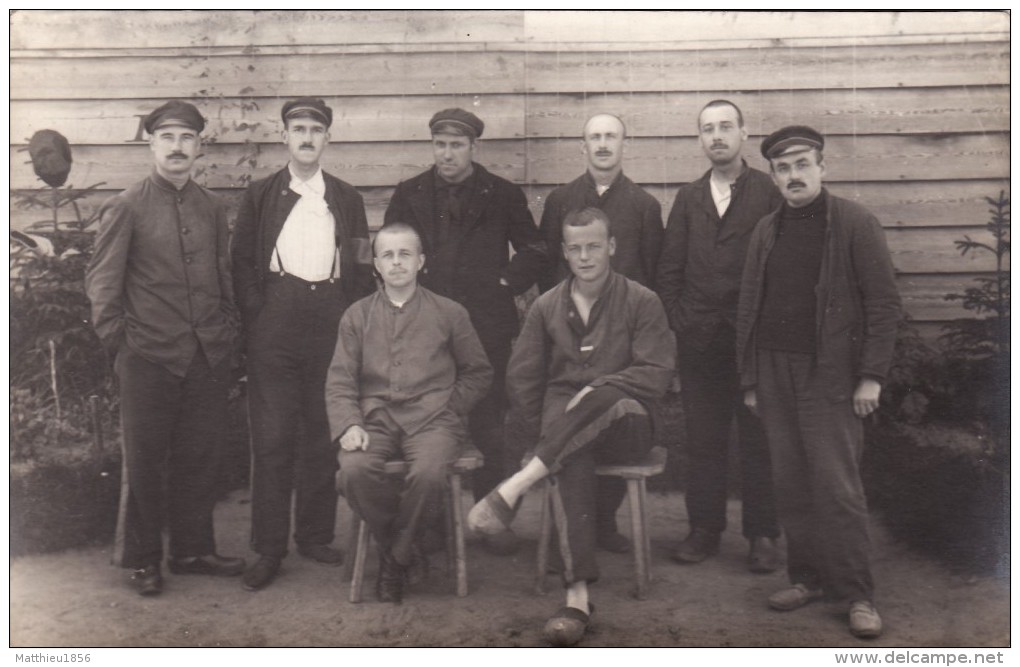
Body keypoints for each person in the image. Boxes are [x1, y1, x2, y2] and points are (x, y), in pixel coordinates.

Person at [467, 207, 675, 646]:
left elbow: (655, 374)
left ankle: (517, 484)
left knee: (601, 403)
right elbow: (522, 378)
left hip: (630, 424)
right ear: (564, 252)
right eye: (575, 248)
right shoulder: (546, 306)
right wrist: (536, 429)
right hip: (564, 433)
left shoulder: (642, 300)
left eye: (594, 246)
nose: (585, 257)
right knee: (570, 451)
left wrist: (601, 387)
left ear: (612, 247)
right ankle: (576, 596)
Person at [736, 125, 901, 639]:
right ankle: (806, 579)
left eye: (802, 164)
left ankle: (856, 594)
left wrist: (871, 375)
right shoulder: (766, 229)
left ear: (822, 168)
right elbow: (749, 307)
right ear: (774, 176)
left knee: (837, 486)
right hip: (774, 372)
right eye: (783, 168)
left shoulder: (853, 223)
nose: (793, 176)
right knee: (790, 480)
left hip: (830, 374)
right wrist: (750, 379)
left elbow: (883, 304)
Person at [85, 99, 245, 596]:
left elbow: (223, 277)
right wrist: (122, 347)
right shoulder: (129, 205)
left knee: (201, 457)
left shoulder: (211, 206)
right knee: (147, 460)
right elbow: (102, 284)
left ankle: (192, 550)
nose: (177, 148)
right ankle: (145, 559)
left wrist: (227, 331)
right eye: (167, 138)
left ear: (199, 147)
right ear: (152, 144)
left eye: (187, 138)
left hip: (206, 355)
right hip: (148, 355)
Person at [385, 108, 547, 555]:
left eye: (457, 145)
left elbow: (534, 248)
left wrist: (504, 283)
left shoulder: (502, 193)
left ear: (474, 148)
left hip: (485, 326)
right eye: (440, 144)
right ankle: (431, 523)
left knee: (487, 421)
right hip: (425, 327)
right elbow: (391, 248)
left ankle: (491, 520)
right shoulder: (410, 193)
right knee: (427, 418)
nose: (447, 154)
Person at [231, 97, 374, 591]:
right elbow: (241, 262)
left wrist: (349, 315)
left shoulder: (347, 198)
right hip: (277, 317)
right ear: (285, 136)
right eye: (298, 128)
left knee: (321, 431)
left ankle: (313, 534)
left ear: (328, 138)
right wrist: (259, 311)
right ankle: (269, 548)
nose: (307, 137)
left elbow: (359, 261)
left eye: (316, 128)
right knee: (272, 437)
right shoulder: (261, 194)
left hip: (330, 318)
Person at [326, 222, 493, 604]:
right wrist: (349, 423)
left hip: (434, 420)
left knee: (430, 473)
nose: (397, 262)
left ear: (421, 261)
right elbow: (340, 380)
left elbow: (479, 371)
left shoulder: (449, 312)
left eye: (405, 254)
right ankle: (401, 550)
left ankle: (391, 559)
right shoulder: (356, 315)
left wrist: (451, 408)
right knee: (352, 470)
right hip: (375, 419)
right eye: (388, 255)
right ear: (376, 265)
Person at [656, 100, 783, 571]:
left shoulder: (768, 192)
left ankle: (764, 535)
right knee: (703, 441)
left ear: (744, 134)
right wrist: (681, 321)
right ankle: (704, 529)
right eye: (707, 129)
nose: (717, 136)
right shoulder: (689, 198)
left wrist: (765, 329)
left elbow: (781, 269)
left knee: (759, 442)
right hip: (701, 342)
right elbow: (669, 270)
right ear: (699, 139)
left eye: (725, 127)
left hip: (751, 344)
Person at [538, 112, 664, 554]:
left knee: (608, 417)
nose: (603, 144)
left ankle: (600, 524)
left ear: (624, 144)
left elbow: (653, 272)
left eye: (611, 136)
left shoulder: (645, 206)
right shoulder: (560, 201)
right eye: (595, 137)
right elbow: (553, 273)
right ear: (583, 146)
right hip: (575, 336)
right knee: (572, 414)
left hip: (623, 343)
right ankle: (573, 527)